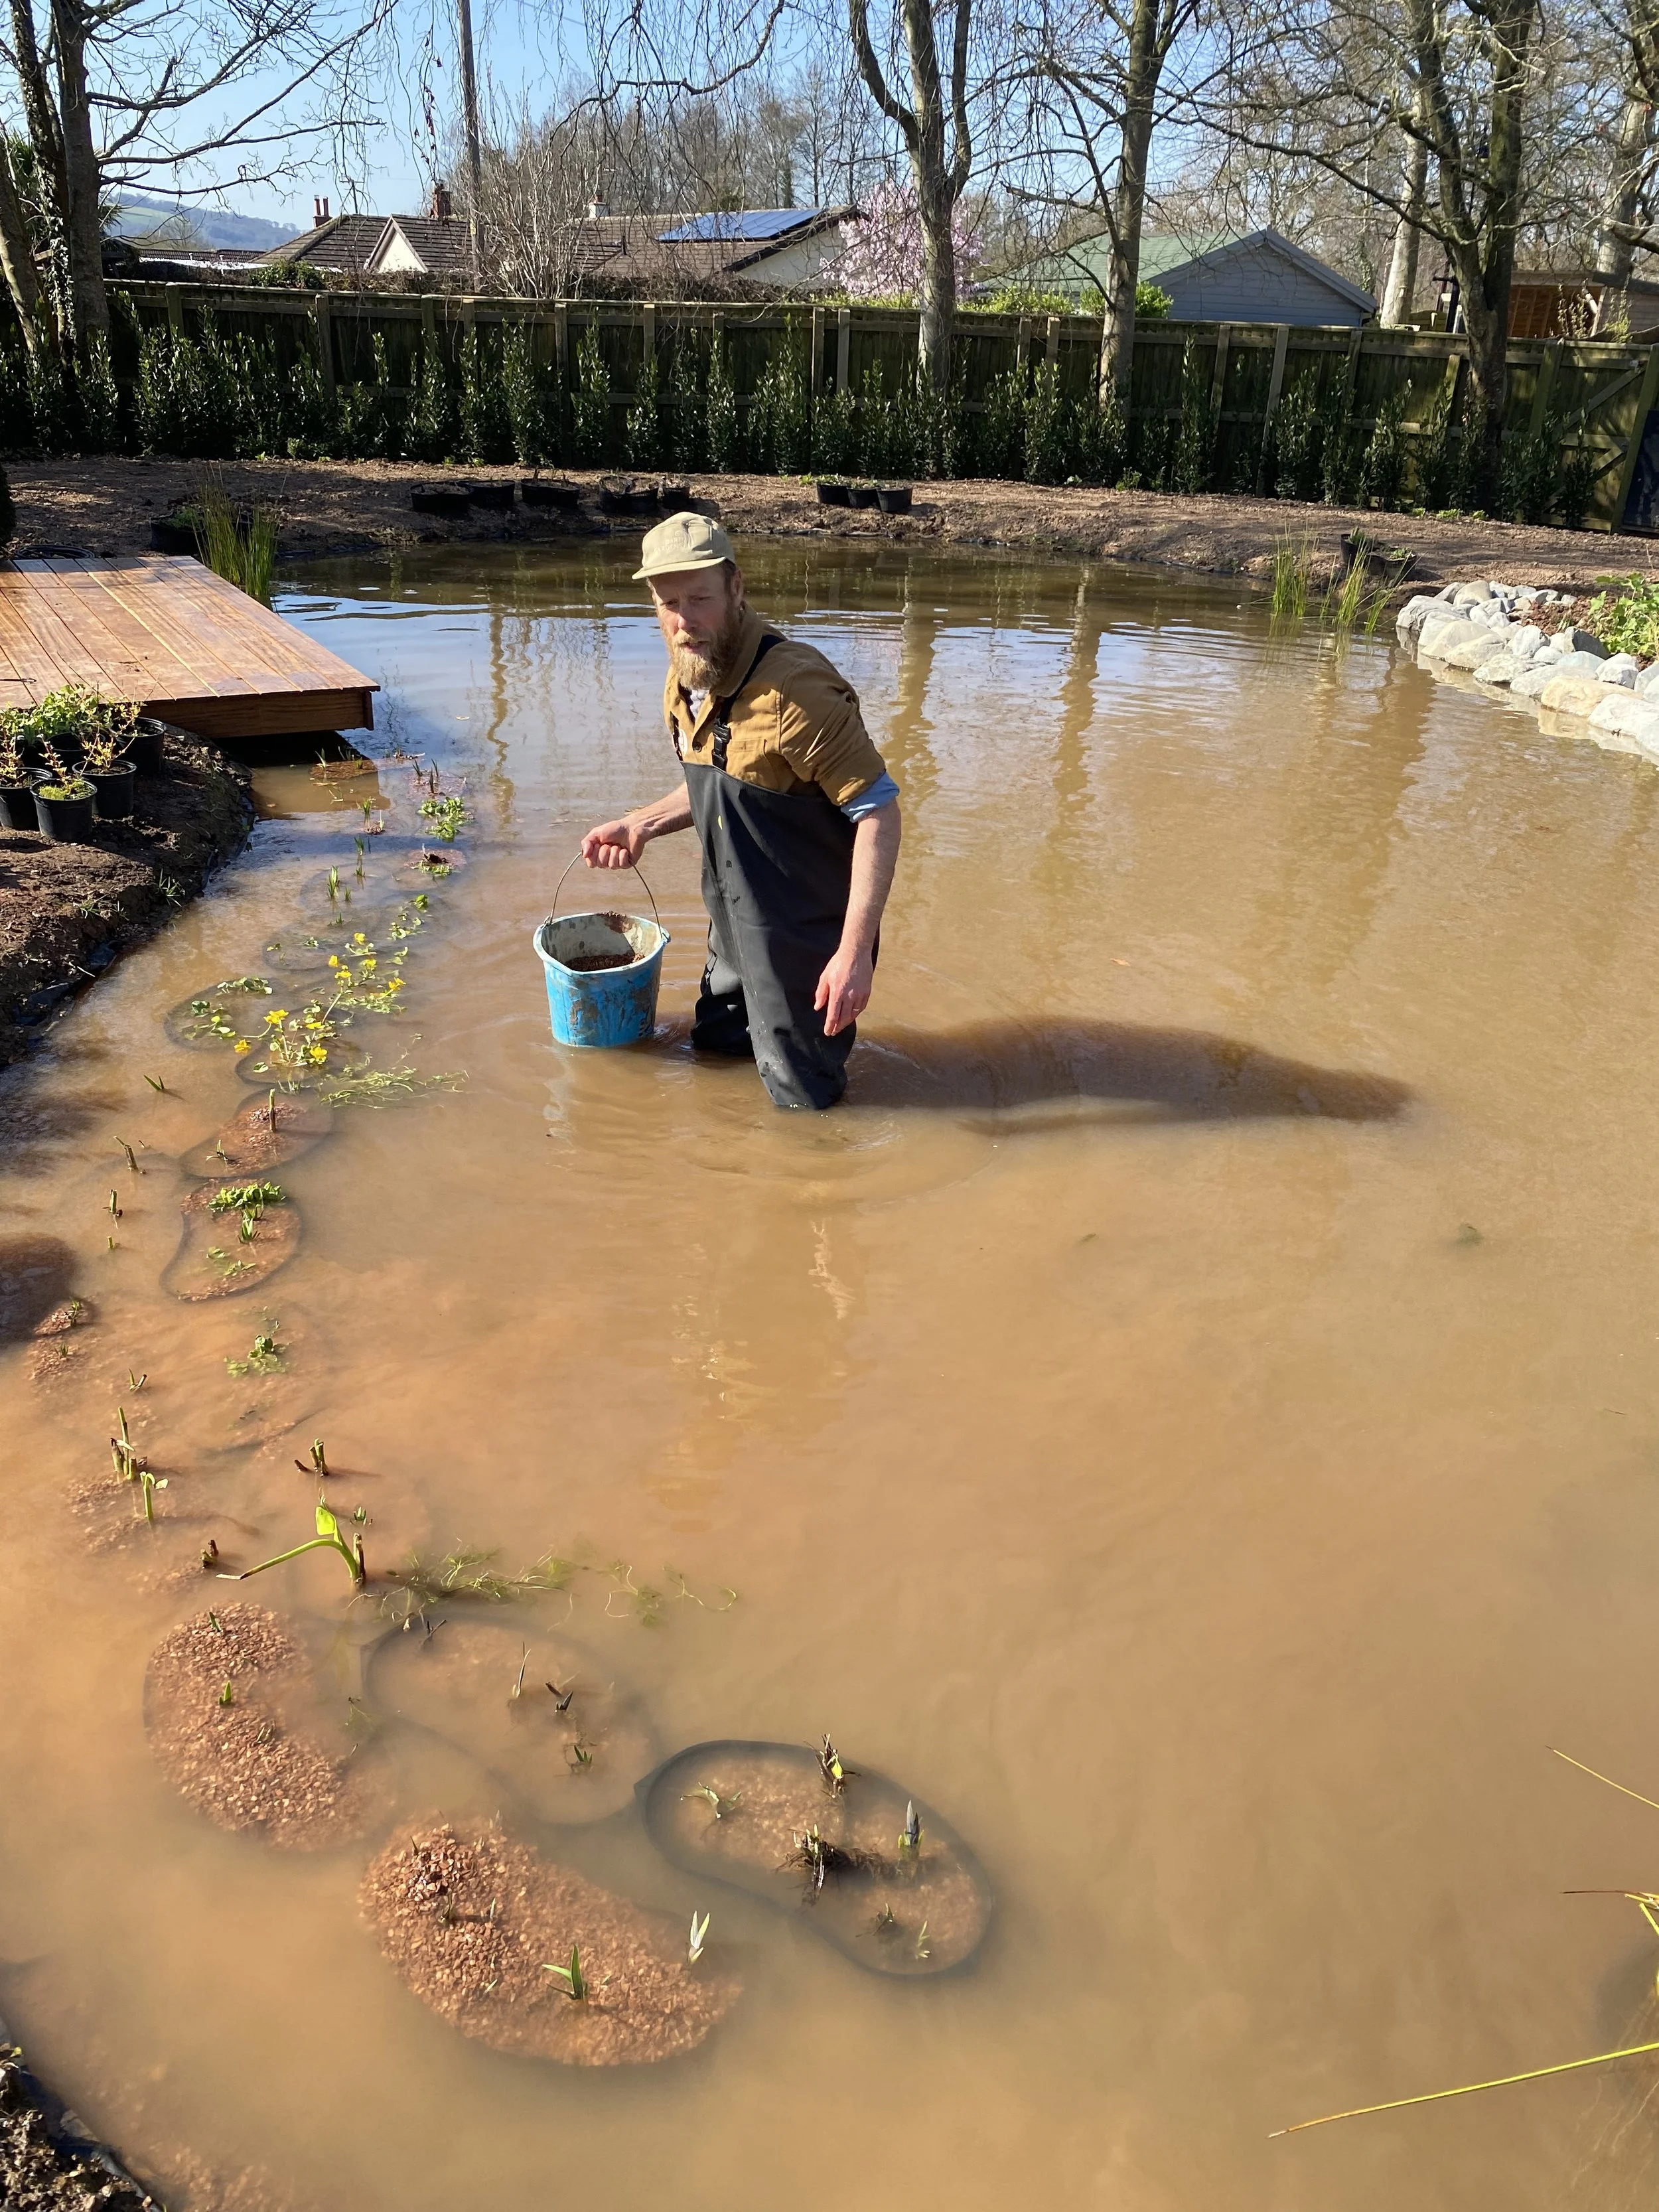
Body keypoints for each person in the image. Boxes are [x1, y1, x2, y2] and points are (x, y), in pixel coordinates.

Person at [580, 514, 902, 1110]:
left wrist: (853, 954)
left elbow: (878, 811)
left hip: (807, 943)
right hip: (732, 927)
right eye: (669, 602)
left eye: (700, 598)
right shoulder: (685, 683)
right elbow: (721, 786)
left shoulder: (796, 692)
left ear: (736, 587)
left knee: (808, 1108)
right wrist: (642, 823)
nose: (684, 621)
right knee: (716, 1056)